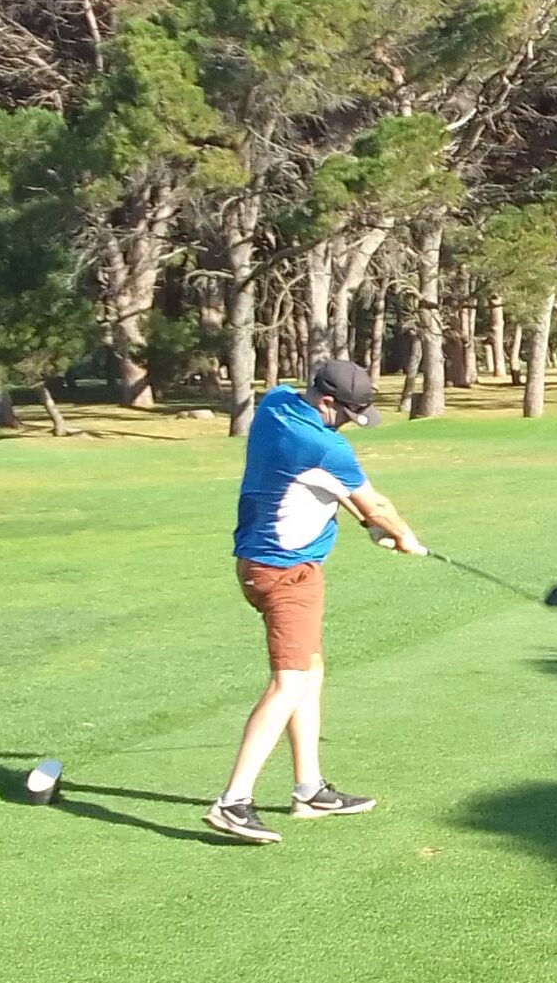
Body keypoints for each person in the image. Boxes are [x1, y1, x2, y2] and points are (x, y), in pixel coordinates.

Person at [206, 359, 425, 845]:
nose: (349, 423)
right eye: (347, 413)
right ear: (327, 402)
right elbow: (376, 503)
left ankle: (309, 790)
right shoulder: (324, 445)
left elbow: (321, 484)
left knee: (310, 669)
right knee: (289, 683)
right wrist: (404, 536)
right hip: (285, 573)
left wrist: (365, 524)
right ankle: (232, 802)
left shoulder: (276, 404)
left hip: (262, 565)